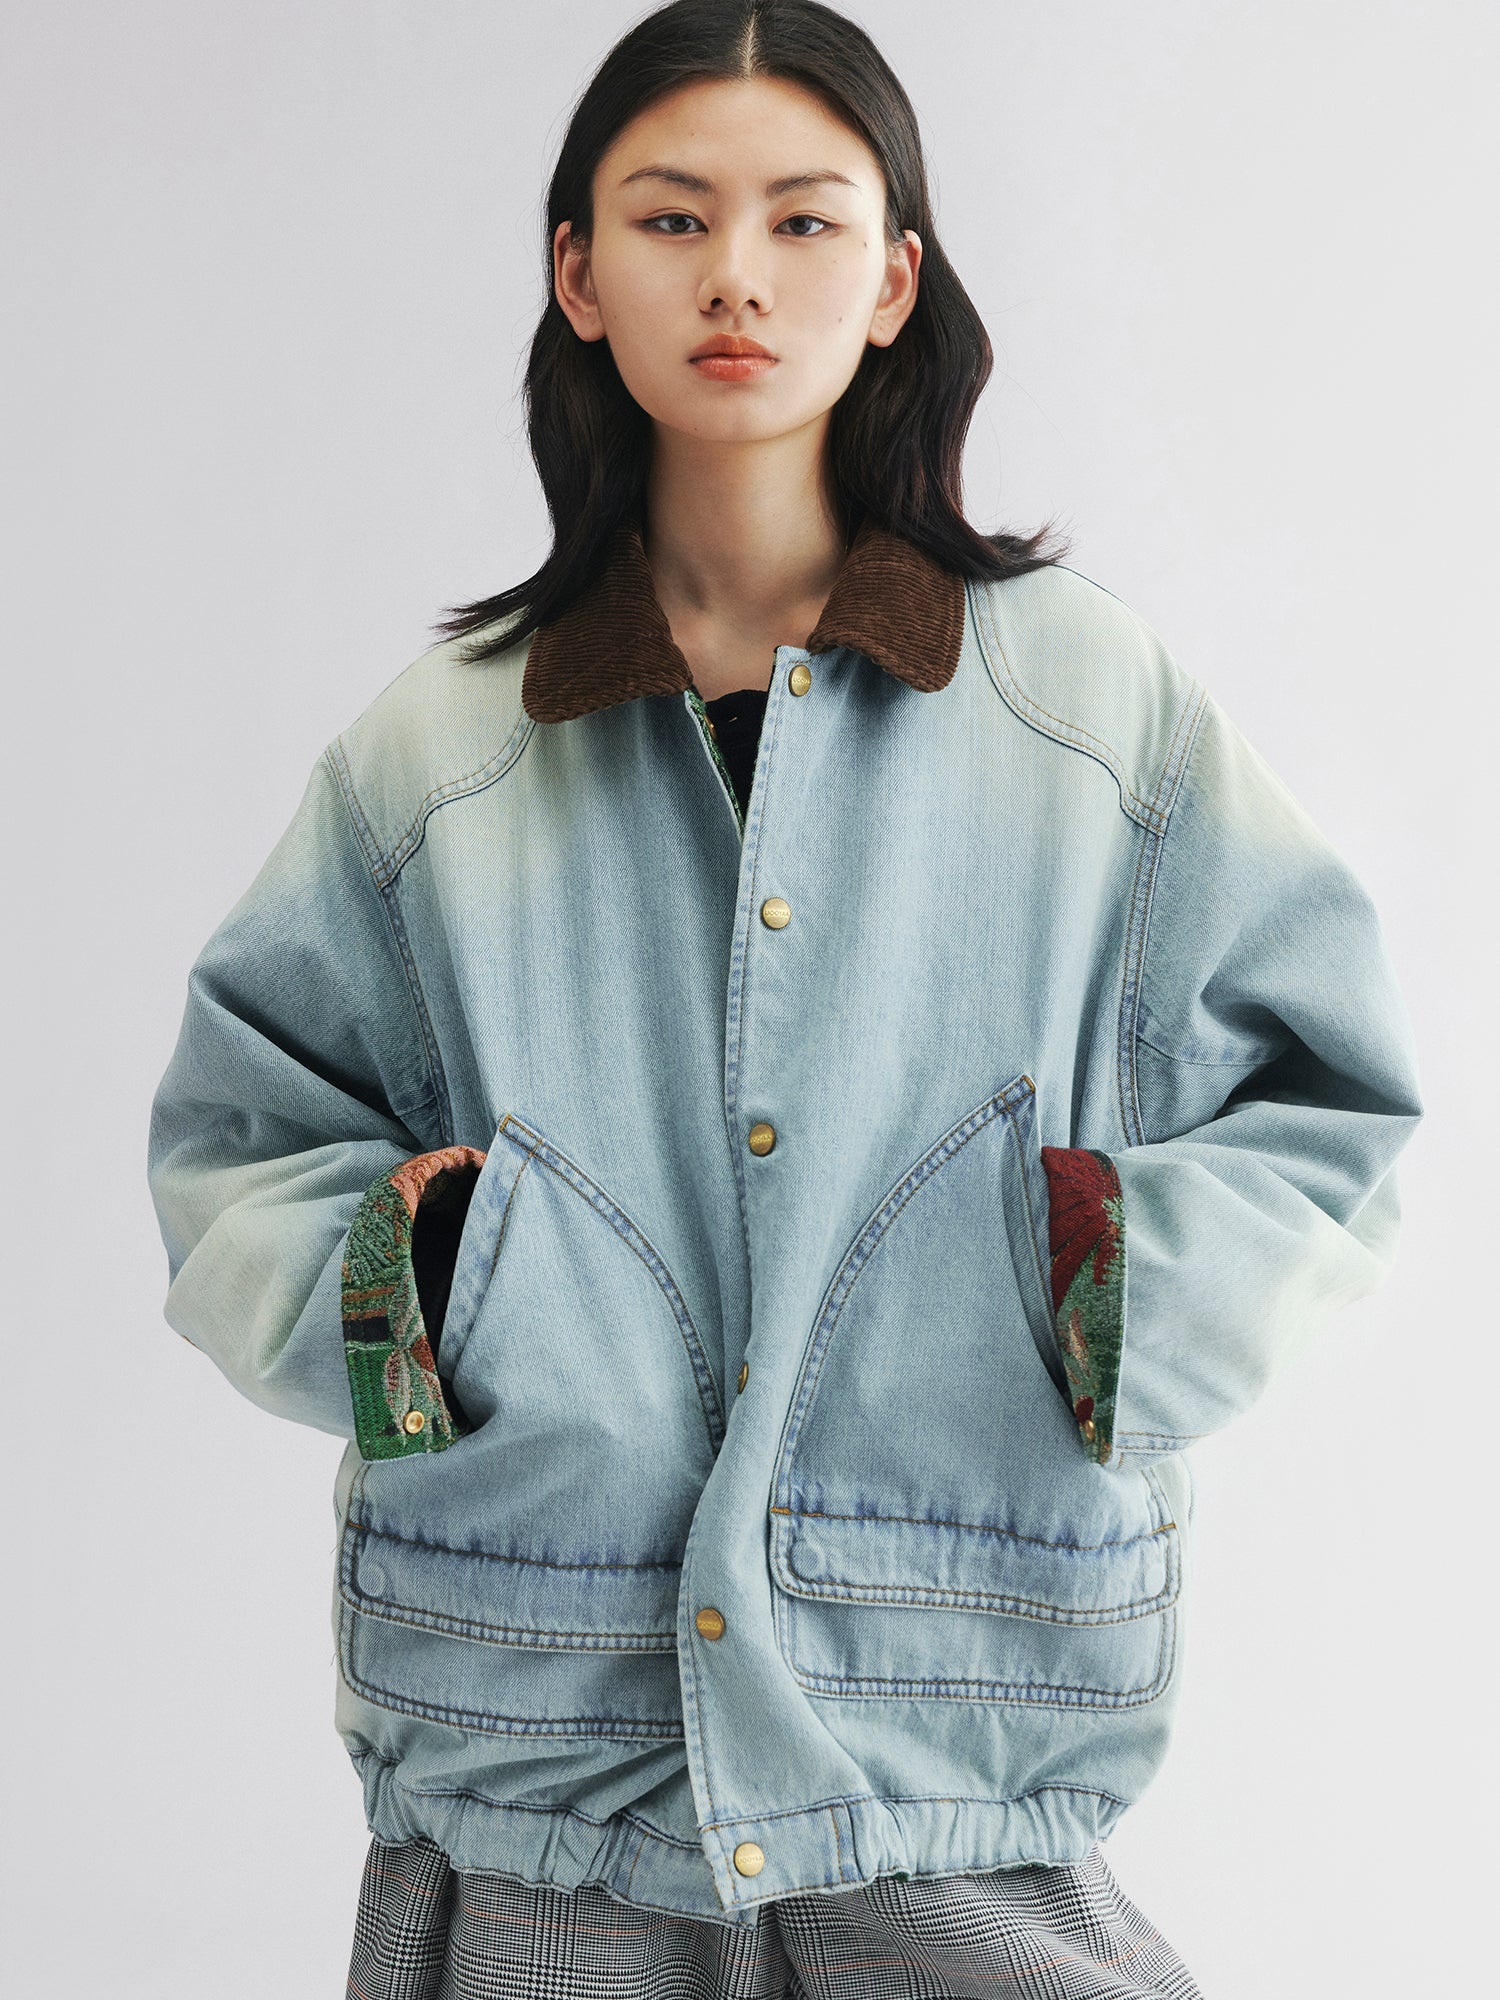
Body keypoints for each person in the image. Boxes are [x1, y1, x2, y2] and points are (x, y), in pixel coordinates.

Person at [145, 3, 1424, 1994]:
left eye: (804, 221)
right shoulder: (443, 756)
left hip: (953, 1719)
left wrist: (1097, 1291)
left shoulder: (1089, 716)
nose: (735, 275)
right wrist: (444, 1285)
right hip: (541, 1748)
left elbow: (1327, 1104)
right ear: (579, 272)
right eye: (671, 218)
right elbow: (238, 1143)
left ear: (896, 278)